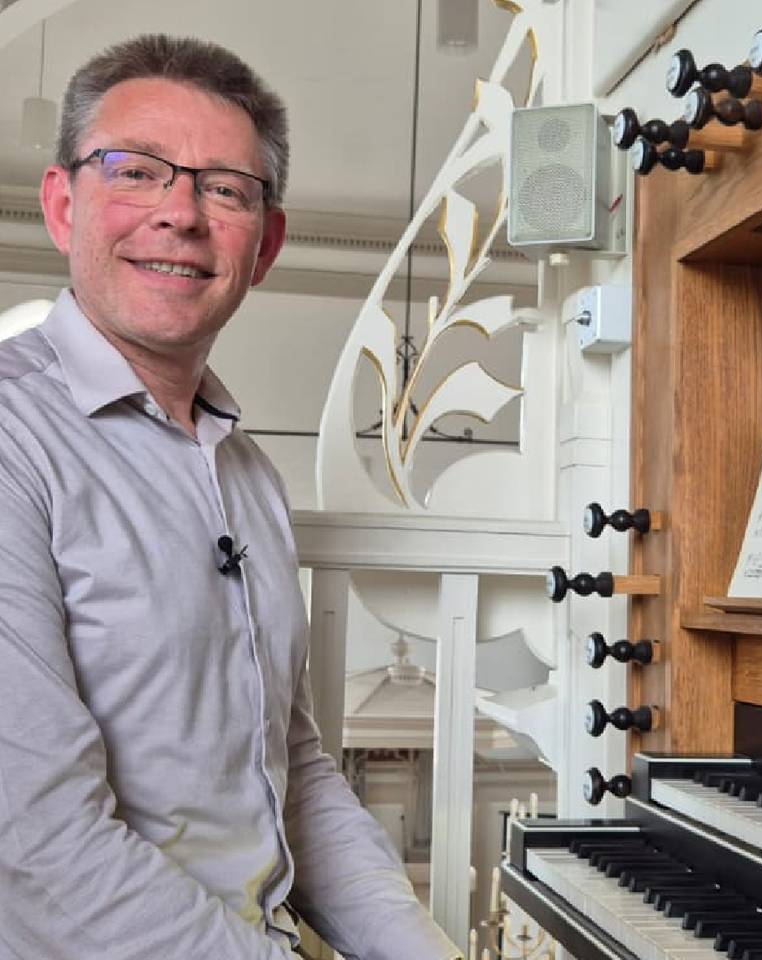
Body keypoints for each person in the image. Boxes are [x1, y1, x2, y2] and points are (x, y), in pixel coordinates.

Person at [0, 34, 460, 960]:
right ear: (62, 204)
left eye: (224, 188)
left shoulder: (243, 473)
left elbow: (290, 770)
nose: (180, 214)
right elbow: (35, 839)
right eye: (135, 171)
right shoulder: (13, 437)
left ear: (266, 244)